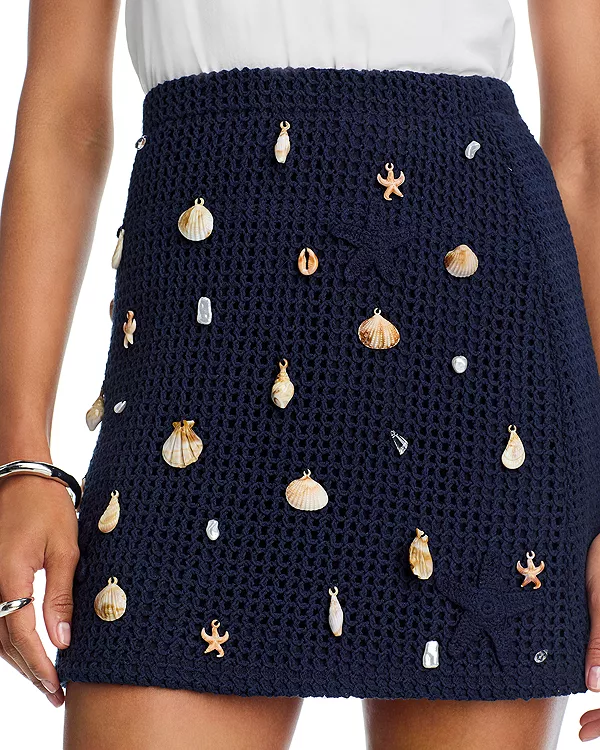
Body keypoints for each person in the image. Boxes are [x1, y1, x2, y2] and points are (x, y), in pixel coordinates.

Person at [1, 1, 600, 748]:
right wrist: (19, 459)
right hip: (199, 360)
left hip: (474, 361)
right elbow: (64, 117)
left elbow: (586, 151)